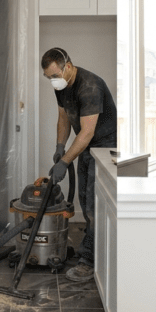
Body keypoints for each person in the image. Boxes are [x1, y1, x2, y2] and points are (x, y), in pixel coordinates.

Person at [41, 47, 117, 283]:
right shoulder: (61, 87)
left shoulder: (90, 87)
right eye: (48, 77)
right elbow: (64, 118)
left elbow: (87, 132)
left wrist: (64, 162)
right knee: (84, 200)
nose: (53, 81)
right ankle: (93, 246)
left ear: (69, 67)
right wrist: (59, 146)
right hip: (87, 148)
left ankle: (89, 262)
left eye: (55, 75)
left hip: (105, 148)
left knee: (94, 206)